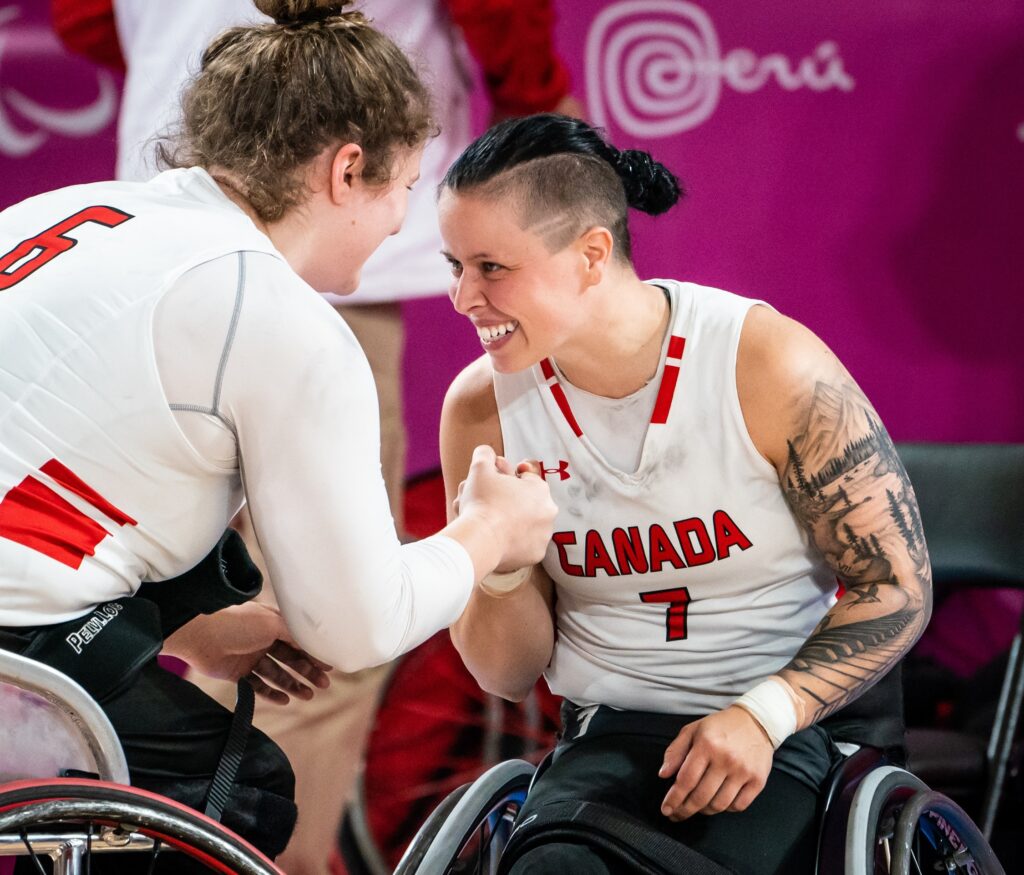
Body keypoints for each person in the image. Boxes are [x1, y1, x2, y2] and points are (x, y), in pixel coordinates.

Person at [0, 2, 556, 869]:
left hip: (26, 627)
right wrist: (490, 532)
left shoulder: (68, 211)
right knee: (243, 788)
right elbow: (360, 627)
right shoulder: (278, 316)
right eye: (404, 189)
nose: (399, 225)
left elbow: (47, 467)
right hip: (14, 660)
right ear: (346, 171)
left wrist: (187, 633)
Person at [438, 114, 933, 874]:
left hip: (784, 728)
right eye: (453, 265)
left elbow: (896, 585)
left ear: (591, 255)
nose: (463, 296)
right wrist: (502, 562)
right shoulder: (480, 409)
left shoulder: (767, 365)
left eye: (491, 267)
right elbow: (507, 674)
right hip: (605, 733)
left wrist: (762, 717)